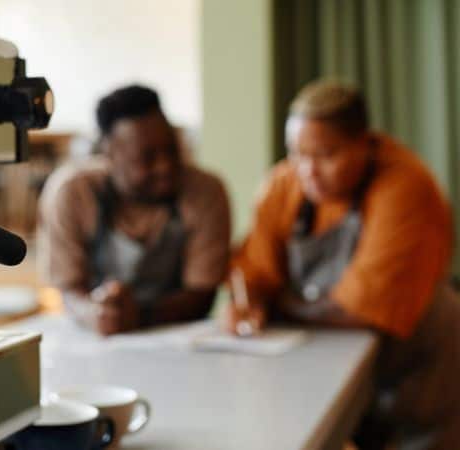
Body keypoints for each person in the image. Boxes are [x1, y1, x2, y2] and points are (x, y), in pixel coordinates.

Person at [226, 79, 460, 449]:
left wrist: (282, 304)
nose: (308, 171)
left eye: (325, 154)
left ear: (364, 145)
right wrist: (251, 301)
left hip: (417, 362)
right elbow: (255, 273)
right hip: (339, 360)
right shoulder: (283, 184)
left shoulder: (405, 186)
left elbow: (361, 311)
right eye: (297, 154)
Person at [39, 85, 231, 336]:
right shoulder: (72, 193)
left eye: (172, 150)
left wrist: (138, 315)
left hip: (176, 338)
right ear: (110, 154)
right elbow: (69, 289)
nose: (164, 167)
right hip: (95, 342)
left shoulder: (204, 192)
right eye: (147, 158)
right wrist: (96, 313)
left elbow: (202, 295)